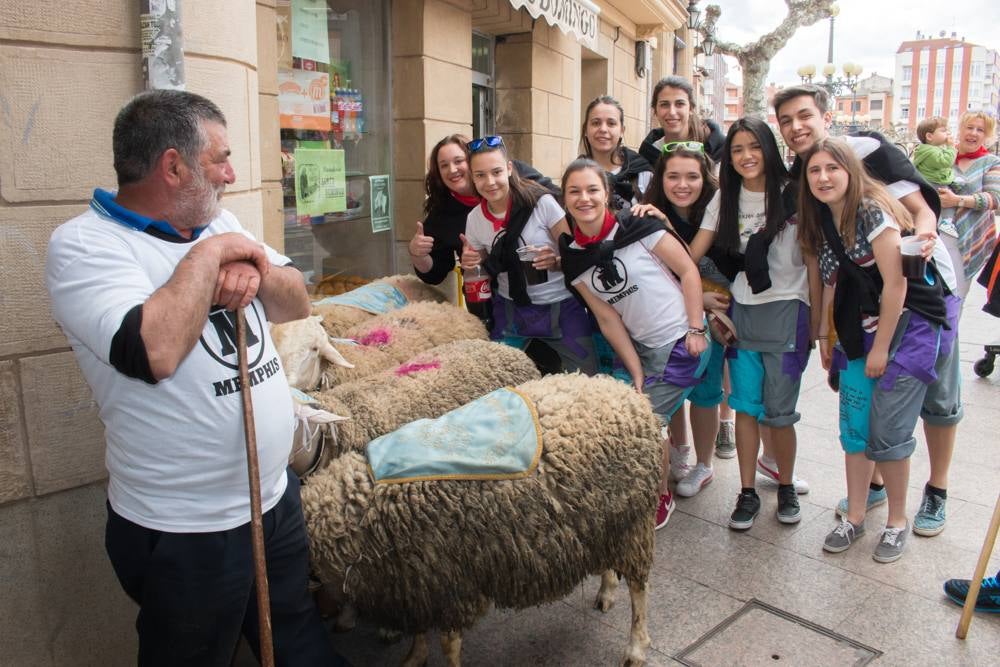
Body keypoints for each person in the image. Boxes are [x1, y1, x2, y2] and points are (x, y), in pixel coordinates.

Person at [45, 90, 343, 665]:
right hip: (186, 530)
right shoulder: (86, 246)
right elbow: (151, 351)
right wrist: (212, 259)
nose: (233, 173)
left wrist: (248, 261)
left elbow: (295, 301)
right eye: (220, 159)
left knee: (298, 639)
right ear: (173, 167)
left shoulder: (217, 218)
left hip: (271, 499)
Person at [774, 84, 961, 539]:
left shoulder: (871, 155)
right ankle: (872, 488)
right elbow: (824, 267)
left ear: (826, 115)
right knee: (868, 409)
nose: (796, 127)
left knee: (935, 401)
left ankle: (935, 489)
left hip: (923, 295)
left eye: (804, 116)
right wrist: (824, 332)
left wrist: (915, 245)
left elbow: (920, 212)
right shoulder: (806, 185)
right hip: (865, 311)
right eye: (786, 120)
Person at [799, 138, 952, 563]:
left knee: (889, 431)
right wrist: (828, 339)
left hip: (907, 329)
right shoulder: (821, 219)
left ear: (850, 170)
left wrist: (881, 349)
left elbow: (897, 284)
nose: (824, 177)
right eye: (815, 170)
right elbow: (832, 281)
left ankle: (896, 523)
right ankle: (857, 515)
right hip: (856, 329)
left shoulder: (871, 210)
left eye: (833, 168)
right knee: (854, 428)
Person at [559, 158, 708, 529]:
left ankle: (659, 496)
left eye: (592, 189)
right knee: (636, 411)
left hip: (680, 340)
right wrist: (637, 370)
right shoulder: (573, 259)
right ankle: (654, 479)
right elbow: (608, 318)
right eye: (574, 191)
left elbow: (688, 269)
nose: (584, 198)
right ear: (564, 199)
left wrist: (695, 329)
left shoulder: (639, 226)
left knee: (646, 422)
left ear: (607, 194)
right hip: (642, 349)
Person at [693, 118, 820, 530]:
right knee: (746, 408)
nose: (746, 156)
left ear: (769, 148)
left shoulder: (795, 195)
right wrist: (703, 305)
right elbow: (687, 258)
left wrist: (820, 325)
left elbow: (815, 264)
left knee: (780, 414)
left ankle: (784, 485)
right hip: (743, 313)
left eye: (754, 146)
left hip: (789, 315)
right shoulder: (724, 199)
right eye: (736, 149)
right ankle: (746, 492)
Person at [631, 141, 731, 495]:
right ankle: (679, 449)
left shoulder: (718, 211)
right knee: (674, 387)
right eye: (673, 176)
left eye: (692, 176)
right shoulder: (647, 213)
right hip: (670, 318)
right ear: (661, 178)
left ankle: (704, 464)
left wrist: (703, 302)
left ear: (705, 178)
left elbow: (689, 262)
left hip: (715, 314)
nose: (682, 184)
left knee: (706, 392)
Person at [459, 135, 596, 375]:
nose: (490, 182)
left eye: (496, 172)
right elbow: (481, 273)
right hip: (510, 308)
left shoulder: (542, 202)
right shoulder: (474, 219)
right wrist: (471, 264)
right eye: (480, 175)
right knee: (493, 377)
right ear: (472, 177)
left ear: (509, 169)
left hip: (561, 306)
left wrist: (555, 261)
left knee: (590, 376)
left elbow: (573, 256)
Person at [408, 134, 556, 286]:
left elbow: (558, 200)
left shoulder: (511, 175)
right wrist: (417, 254)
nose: (452, 169)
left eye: (459, 161)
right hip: (487, 298)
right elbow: (435, 274)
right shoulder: (443, 213)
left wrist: (557, 257)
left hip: (546, 288)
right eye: (444, 165)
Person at [936, 110, 1000, 301]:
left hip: (968, 238)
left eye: (980, 130)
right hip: (935, 235)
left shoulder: (990, 162)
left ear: (986, 135)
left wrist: (957, 200)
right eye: (969, 127)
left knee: (956, 299)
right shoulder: (941, 156)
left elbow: (994, 199)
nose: (973, 133)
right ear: (960, 129)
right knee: (931, 298)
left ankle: (951, 332)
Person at [579, 95, 653, 212]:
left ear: (622, 131)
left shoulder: (643, 174)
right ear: (586, 130)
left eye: (611, 123)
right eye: (596, 123)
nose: (603, 129)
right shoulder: (577, 174)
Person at [638, 76, 726, 165]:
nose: (672, 112)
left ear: (691, 109)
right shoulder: (647, 156)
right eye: (664, 104)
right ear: (655, 110)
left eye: (680, 104)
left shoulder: (720, 151)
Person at [913, 116, 957, 228]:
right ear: (929, 136)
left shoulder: (928, 150)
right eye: (943, 131)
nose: (947, 133)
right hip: (935, 184)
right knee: (945, 206)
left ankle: (943, 223)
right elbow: (946, 162)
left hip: (933, 183)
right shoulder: (930, 152)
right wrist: (951, 147)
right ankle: (946, 224)